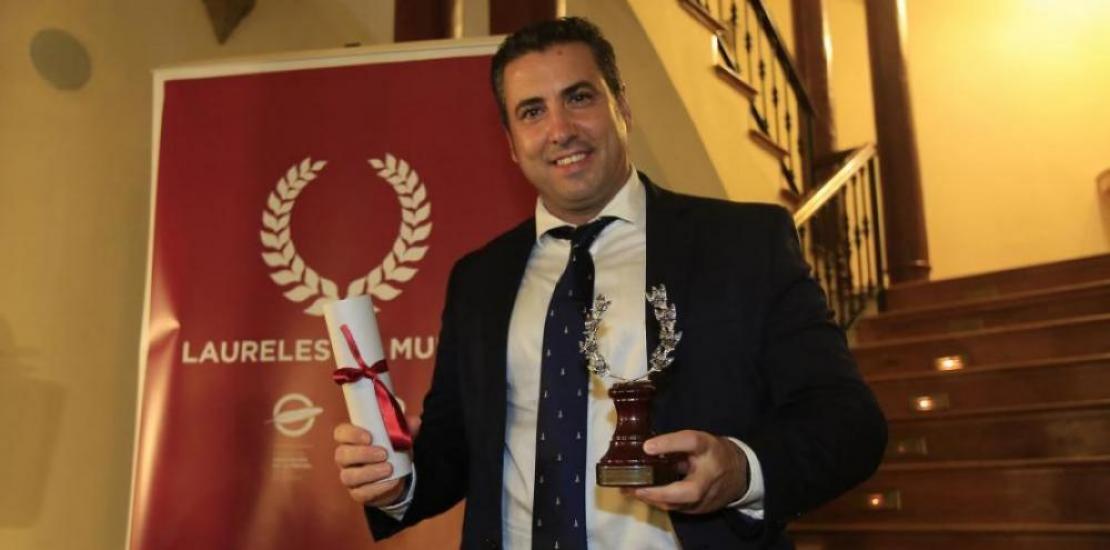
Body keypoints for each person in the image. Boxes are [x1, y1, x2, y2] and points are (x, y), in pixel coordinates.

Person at [333, 17, 886, 549]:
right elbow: (457, 447)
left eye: (579, 97)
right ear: (510, 141)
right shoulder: (479, 278)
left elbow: (847, 419)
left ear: (621, 106)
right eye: (532, 111)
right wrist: (397, 479)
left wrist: (741, 469)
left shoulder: (742, 245)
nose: (560, 130)